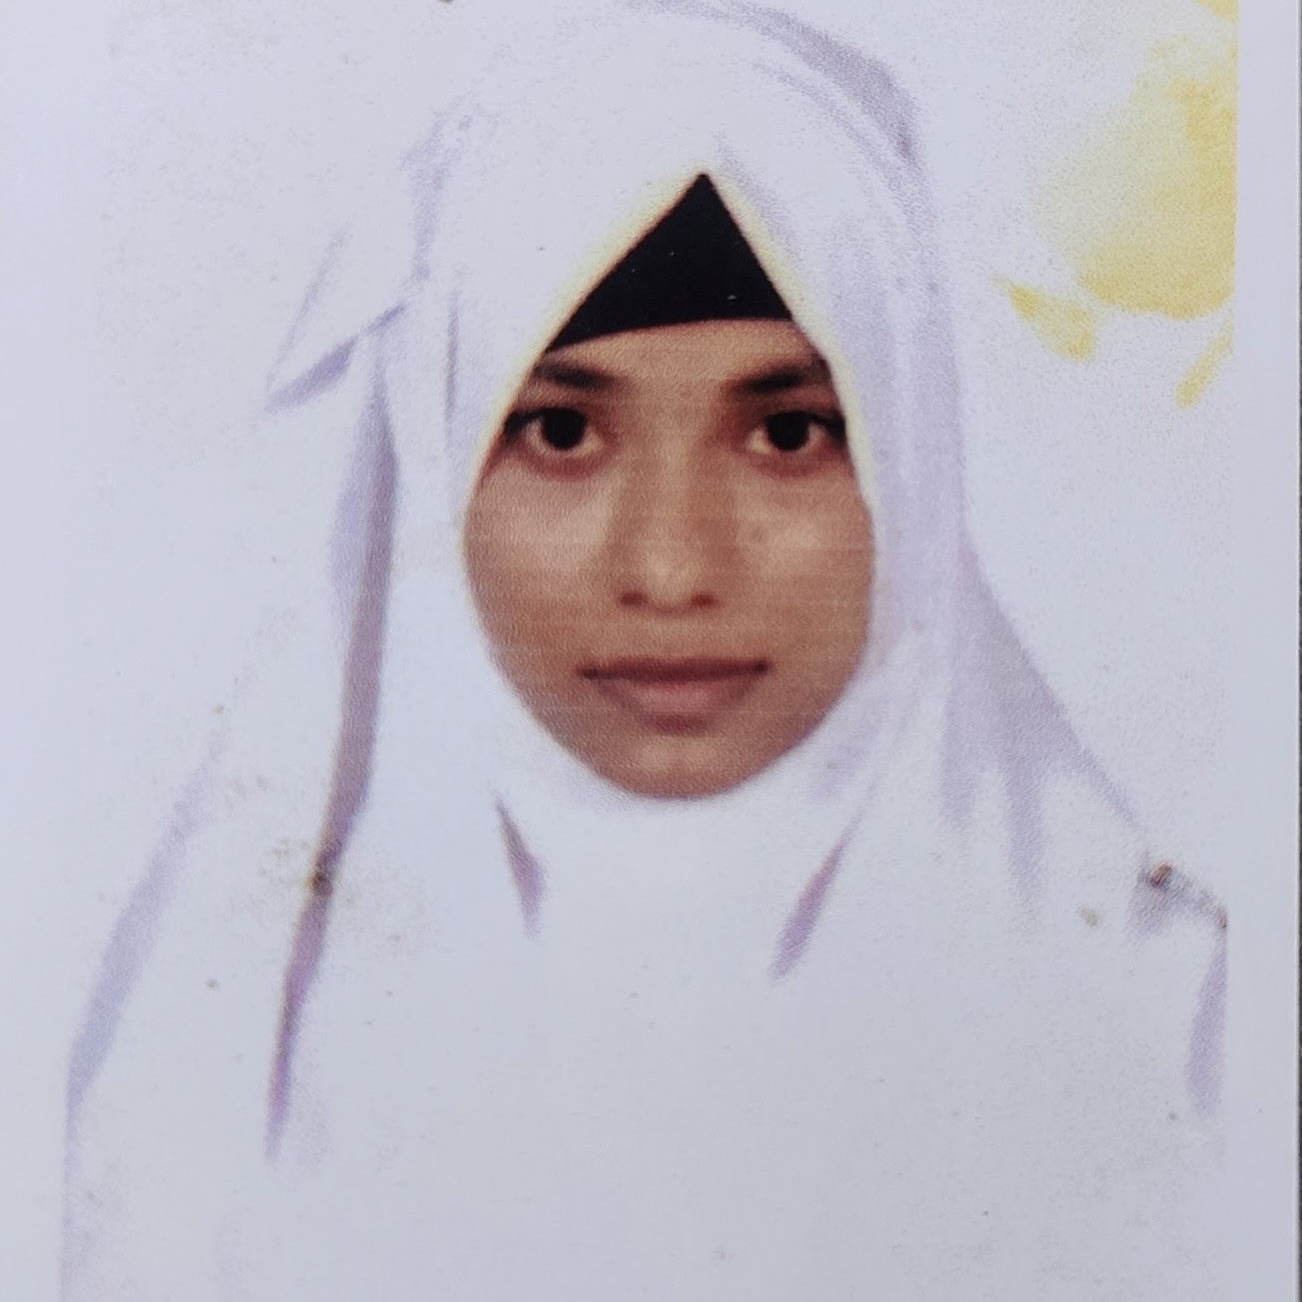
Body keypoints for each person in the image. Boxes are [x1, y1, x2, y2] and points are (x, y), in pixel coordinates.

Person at [63, 2, 1225, 1298]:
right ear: (436, 461)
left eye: (787, 433)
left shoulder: (1186, 1036)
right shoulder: (219, 1085)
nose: (671, 568)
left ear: (913, 459)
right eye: (561, 433)